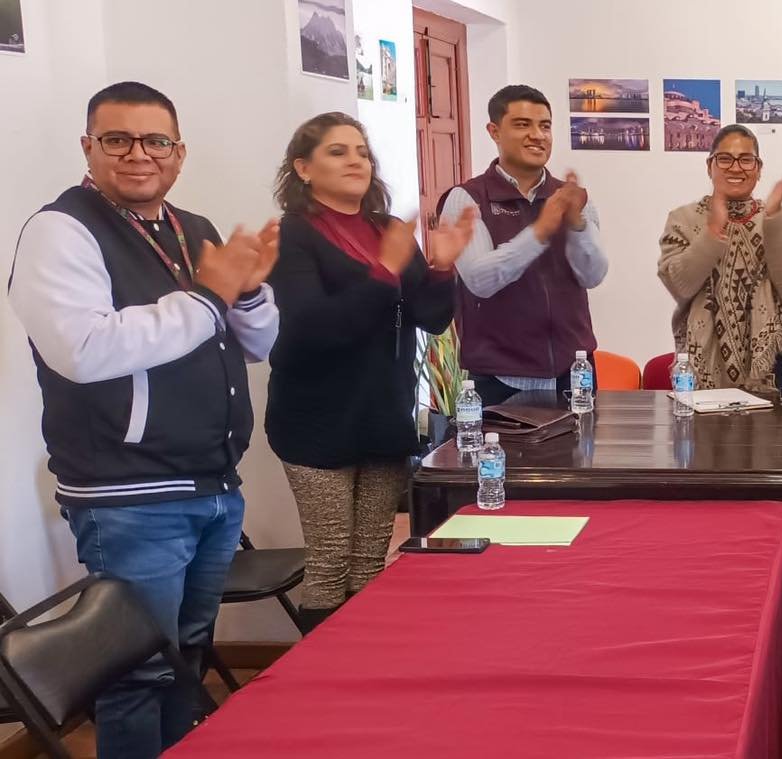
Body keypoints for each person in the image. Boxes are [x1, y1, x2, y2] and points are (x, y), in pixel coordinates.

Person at [8, 81, 280, 758]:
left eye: (156, 140)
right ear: (88, 147)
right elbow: (84, 349)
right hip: (130, 495)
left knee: (185, 658)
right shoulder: (59, 230)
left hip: (213, 485)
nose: (138, 154)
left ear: (179, 152)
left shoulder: (194, 229)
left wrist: (248, 293)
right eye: (117, 139)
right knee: (136, 675)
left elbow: (257, 344)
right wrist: (209, 295)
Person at [266, 113, 476, 631]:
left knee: (369, 562)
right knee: (331, 561)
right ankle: (319, 674)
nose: (356, 160)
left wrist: (442, 267)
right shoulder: (292, 235)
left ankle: (361, 663)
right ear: (303, 168)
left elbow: (430, 317)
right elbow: (316, 325)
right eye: (338, 151)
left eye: (361, 151)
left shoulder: (387, 229)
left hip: (381, 412)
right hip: (315, 419)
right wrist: (385, 273)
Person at [439, 85, 608, 406]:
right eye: (522, 125)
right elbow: (480, 280)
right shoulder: (468, 198)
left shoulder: (571, 196)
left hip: (573, 372)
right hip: (499, 378)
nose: (537, 135)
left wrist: (577, 225)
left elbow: (593, 275)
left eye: (545, 126)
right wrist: (540, 232)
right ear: (494, 131)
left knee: (583, 442)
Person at [657, 124, 782, 393]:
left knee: (774, 423)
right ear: (710, 166)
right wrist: (712, 233)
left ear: (758, 169)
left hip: (769, 373)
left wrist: (773, 220)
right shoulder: (683, 219)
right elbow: (679, 285)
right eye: (725, 158)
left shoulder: (781, 218)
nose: (736, 168)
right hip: (701, 371)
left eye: (746, 160)